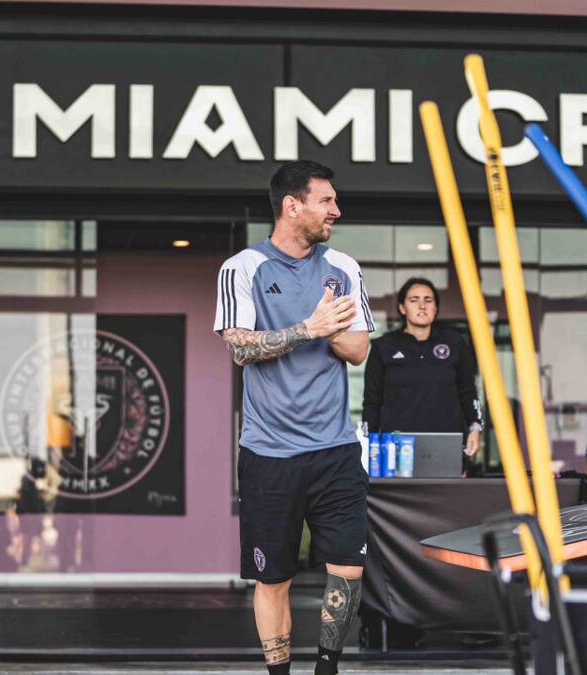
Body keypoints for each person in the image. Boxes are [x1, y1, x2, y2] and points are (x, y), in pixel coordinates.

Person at [215, 160, 374, 675]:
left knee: (348, 569)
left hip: (335, 447)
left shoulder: (343, 268)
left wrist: (328, 330)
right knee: (273, 579)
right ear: (293, 205)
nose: (336, 210)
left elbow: (358, 350)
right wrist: (308, 327)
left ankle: (327, 668)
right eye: (326, 201)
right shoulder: (241, 269)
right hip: (269, 453)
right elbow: (240, 348)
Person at [362, 277, 483, 459]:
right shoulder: (383, 347)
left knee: (449, 488)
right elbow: (372, 401)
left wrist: (475, 427)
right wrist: (369, 442)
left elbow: (468, 392)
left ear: (436, 308)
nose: (422, 306)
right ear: (402, 308)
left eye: (428, 300)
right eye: (414, 300)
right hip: (397, 448)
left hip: (446, 445)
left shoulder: (455, 343)